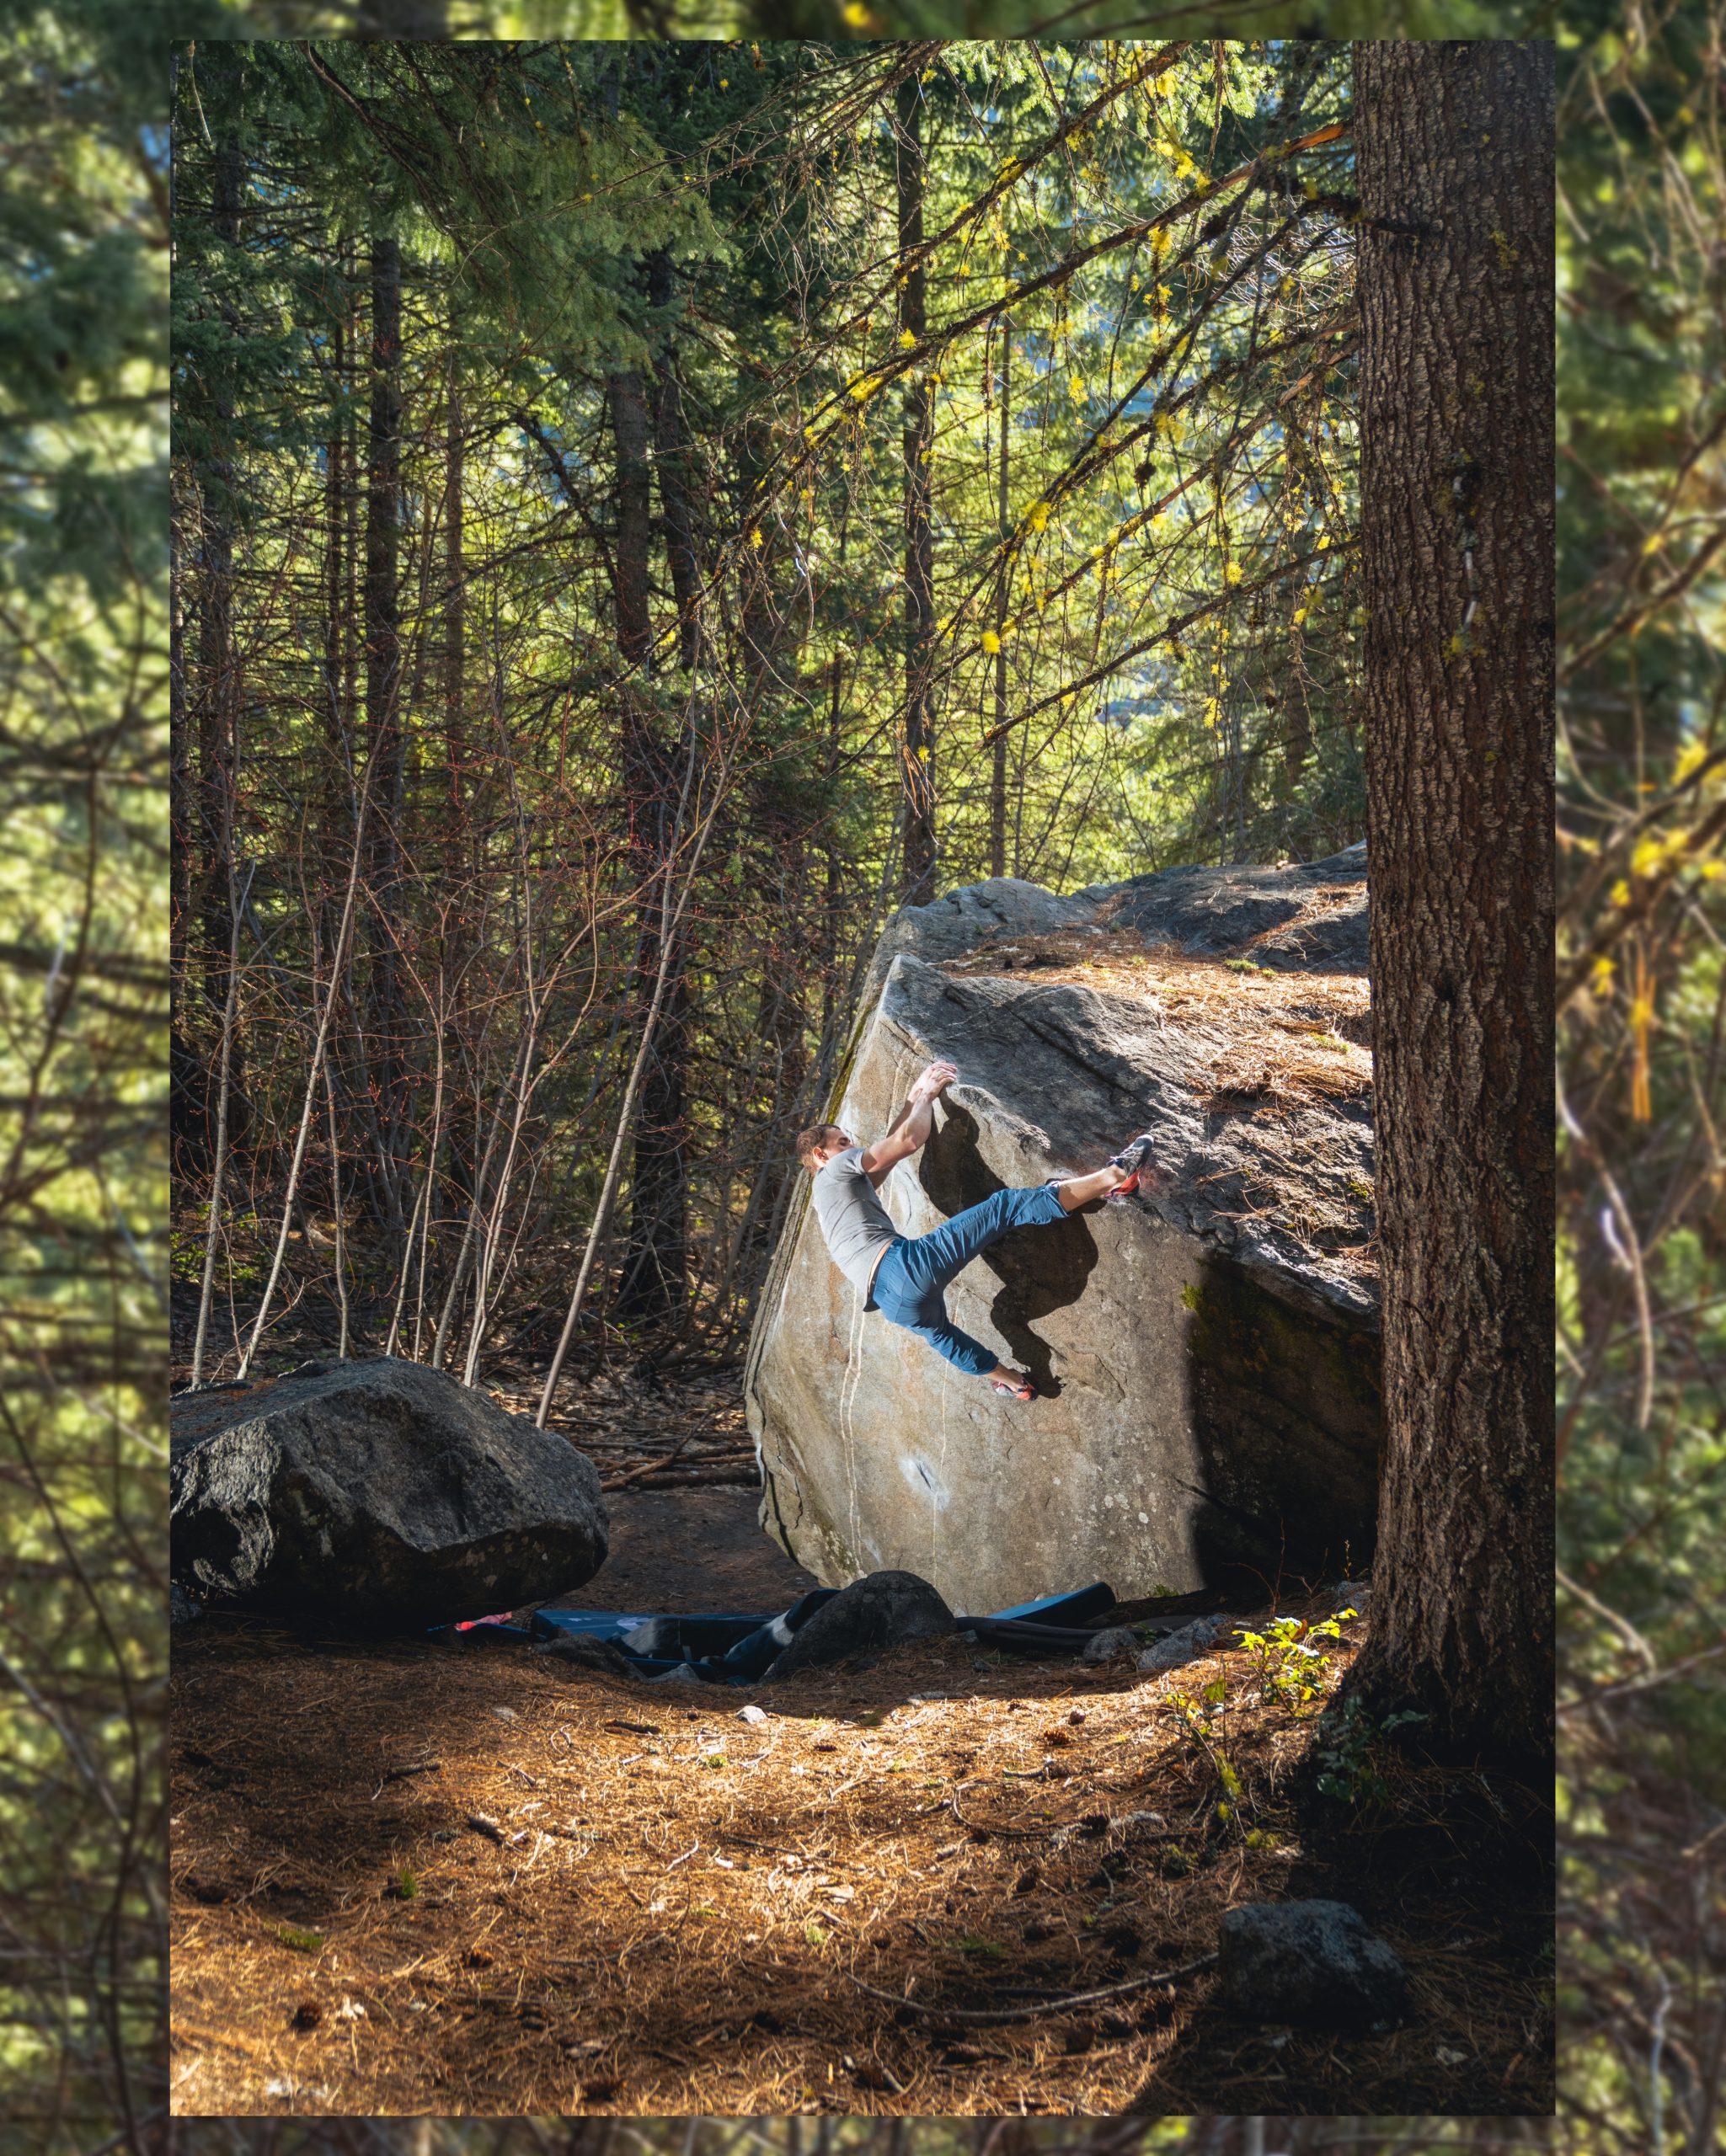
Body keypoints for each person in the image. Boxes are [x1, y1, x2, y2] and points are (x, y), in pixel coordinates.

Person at [796, 1059, 1159, 1401]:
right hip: (903, 1266)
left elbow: (892, 1147)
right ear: (821, 1155)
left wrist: (914, 1098)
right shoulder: (835, 1169)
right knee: (1004, 1206)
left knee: (944, 1337)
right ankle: (1114, 1177)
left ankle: (1017, 1384)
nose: (852, 1147)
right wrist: (926, 1095)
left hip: (891, 1303)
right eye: (843, 1143)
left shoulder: (829, 1196)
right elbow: (907, 1142)